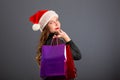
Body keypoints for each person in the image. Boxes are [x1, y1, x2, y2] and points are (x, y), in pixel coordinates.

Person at [29, 10, 82, 80]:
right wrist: (66, 37)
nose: (56, 23)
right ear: (46, 27)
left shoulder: (46, 42)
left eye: (57, 20)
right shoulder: (56, 41)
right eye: (51, 22)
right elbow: (78, 55)